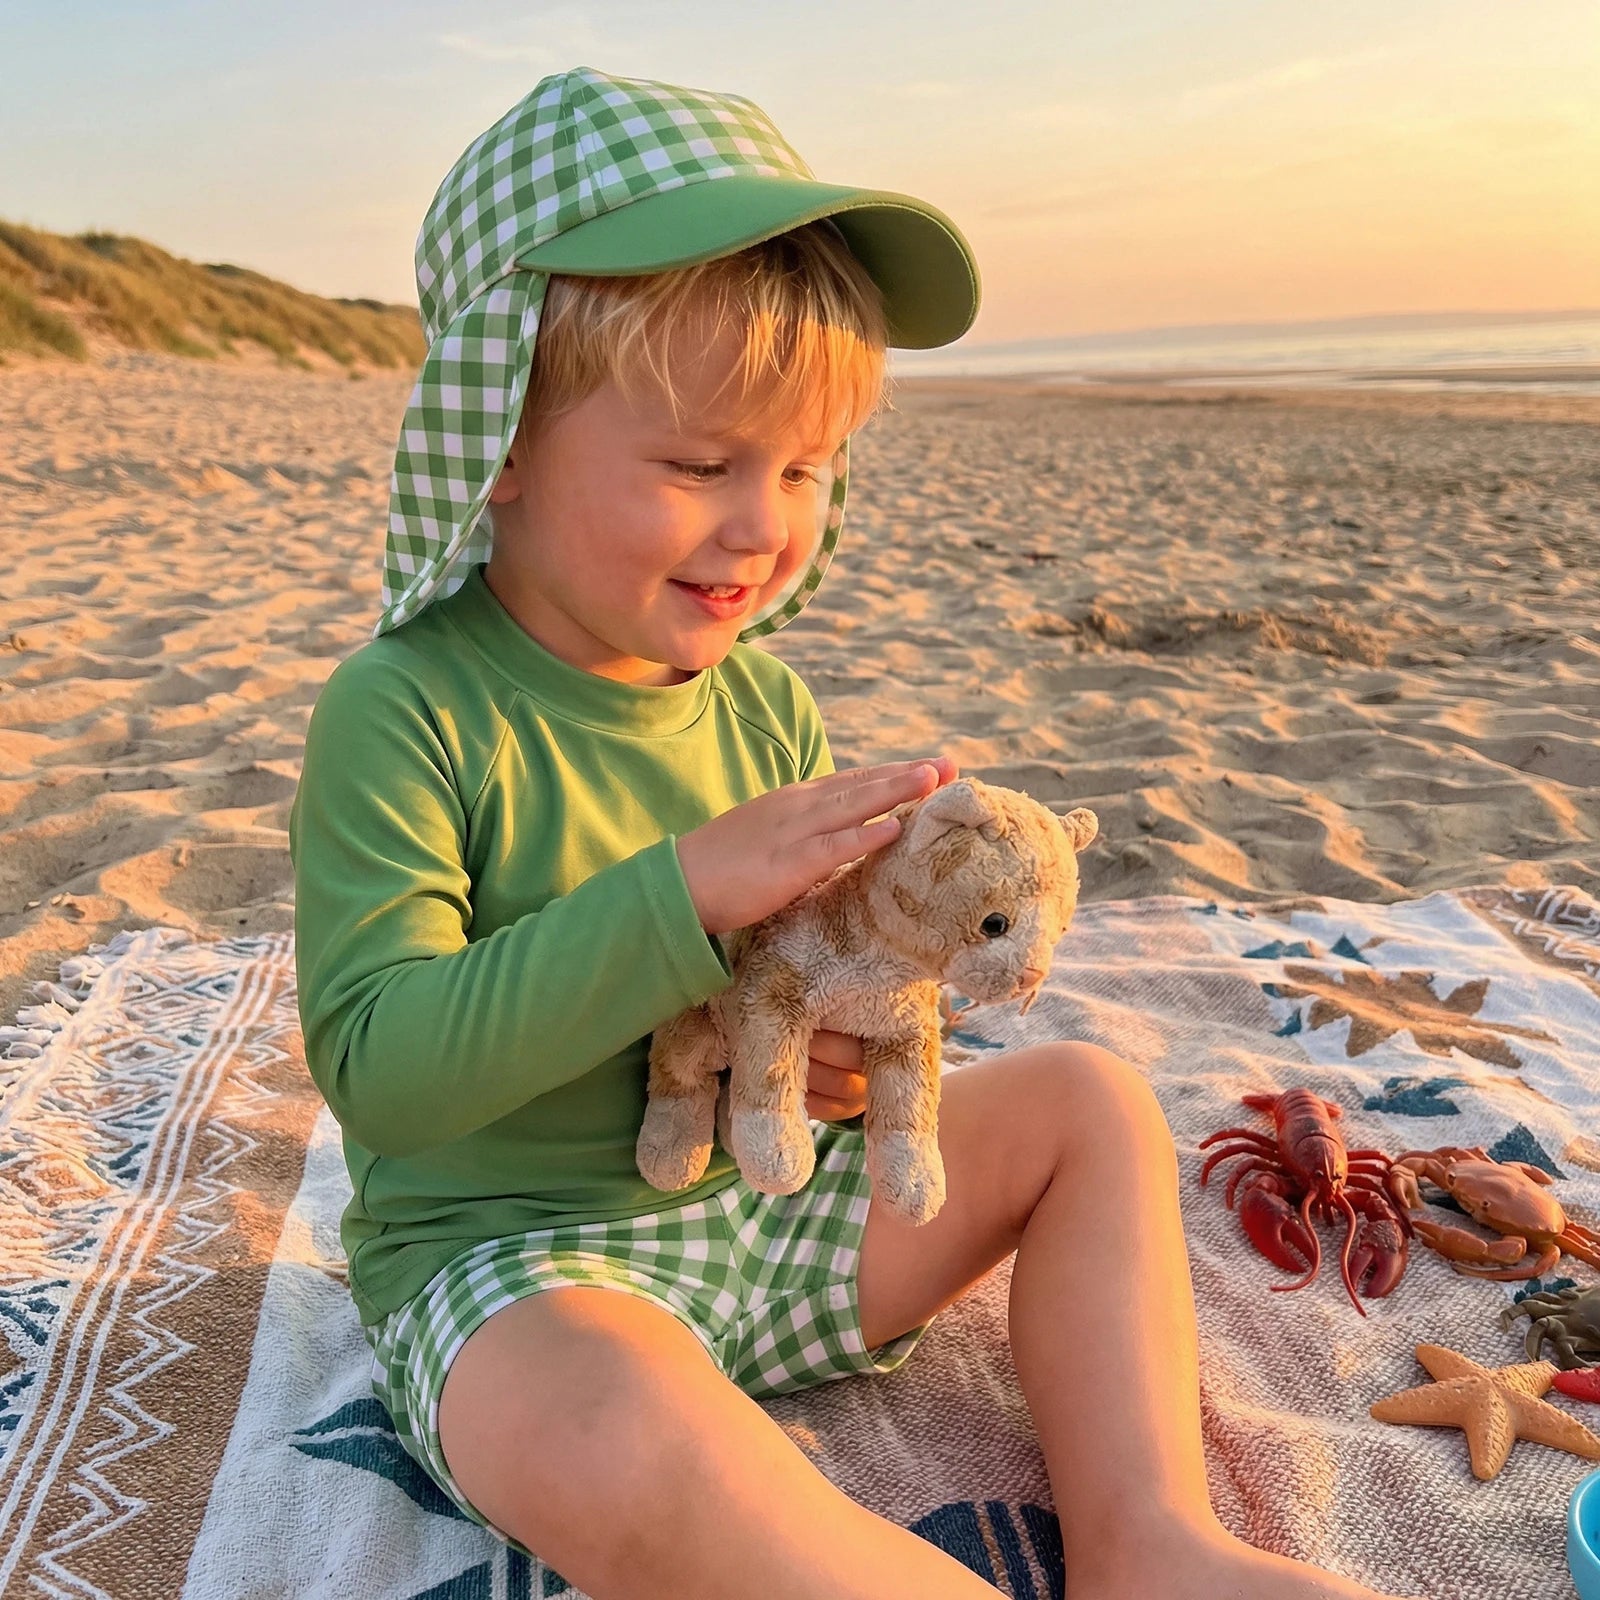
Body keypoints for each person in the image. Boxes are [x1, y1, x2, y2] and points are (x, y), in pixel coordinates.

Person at [290, 67, 1414, 1600]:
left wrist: (844, 1053)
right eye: (699, 465)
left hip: (769, 1221)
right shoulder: (407, 706)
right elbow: (384, 1069)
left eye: (806, 468)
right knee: (621, 1438)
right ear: (500, 437)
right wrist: (680, 891)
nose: (766, 522)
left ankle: (1148, 1537)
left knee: (1088, 1097)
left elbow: (810, 1009)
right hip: (521, 1267)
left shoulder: (762, 712)